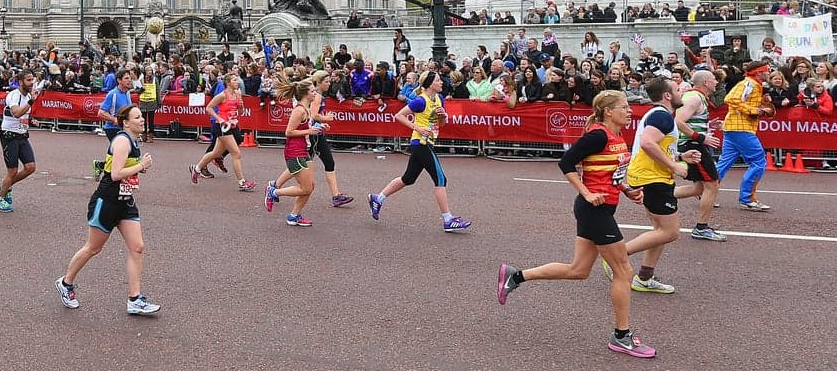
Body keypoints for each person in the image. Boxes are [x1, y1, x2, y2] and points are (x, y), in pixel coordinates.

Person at [497, 91, 657, 358]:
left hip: (601, 208)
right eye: (624, 107)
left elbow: (610, 172)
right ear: (608, 111)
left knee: (579, 270)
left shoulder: (616, 136)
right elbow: (566, 162)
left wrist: (627, 189)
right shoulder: (597, 135)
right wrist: (585, 192)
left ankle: (516, 275)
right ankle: (622, 336)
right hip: (594, 211)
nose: (630, 111)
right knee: (624, 271)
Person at [56, 104, 160, 315]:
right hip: (107, 201)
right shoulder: (122, 140)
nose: (142, 120)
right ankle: (66, 283)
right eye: (137, 117)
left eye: (142, 117)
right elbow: (115, 174)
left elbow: (125, 171)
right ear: (126, 122)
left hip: (125, 201)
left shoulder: (133, 141)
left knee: (137, 247)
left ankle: (134, 299)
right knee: (93, 248)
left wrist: (139, 167)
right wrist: (141, 165)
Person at [599, 78, 699, 295]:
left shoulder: (659, 115)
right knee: (670, 232)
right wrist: (674, 165)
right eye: (677, 89)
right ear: (668, 95)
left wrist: (680, 155)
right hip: (652, 179)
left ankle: (645, 277)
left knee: (660, 231)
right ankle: (617, 256)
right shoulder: (662, 116)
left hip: (650, 176)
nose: (682, 92)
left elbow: (656, 145)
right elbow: (647, 143)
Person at [367, 70, 472, 233]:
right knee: (441, 179)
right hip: (420, 143)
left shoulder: (440, 98)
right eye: (438, 80)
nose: (442, 82)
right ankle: (448, 219)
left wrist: (443, 116)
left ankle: (377, 198)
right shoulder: (420, 101)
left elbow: (442, 124)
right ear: (430, 84)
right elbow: (399, 115)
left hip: (428, 142)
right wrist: (418, 128)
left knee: (408, 178)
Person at [268, 71, 354, 210]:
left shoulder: (306, 106)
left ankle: (291, 208)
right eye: (326, 81)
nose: (329, 83)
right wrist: (321, 122)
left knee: (308, 180)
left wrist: (320, 125)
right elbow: (292, 129)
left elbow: (309, 120)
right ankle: (275, 189)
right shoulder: (306, 105)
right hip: (303, 143)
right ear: (317, 83)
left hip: (306, 141)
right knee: (307, 179)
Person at [716, 60, 775, 211]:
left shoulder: (754, 84)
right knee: (759, 160)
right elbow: (730, 99)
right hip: (741, 128)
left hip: (734, 127)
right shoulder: (749, 84)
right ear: (759, 72)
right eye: (767, 71)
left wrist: (763, 104)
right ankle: (747, 198)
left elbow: (742, 101)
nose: (769, 73)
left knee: (724, 163)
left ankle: (703, 190)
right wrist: (755, 111)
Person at [673, 70, 726, 241]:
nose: (716, 83)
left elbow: (688, 120)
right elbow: (678, 121)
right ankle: (701, 228)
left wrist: (707, 125)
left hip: (693, 143)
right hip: (693, 145)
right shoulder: (694, 98)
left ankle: (658, 195)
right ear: (705, 83)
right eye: (713, 80)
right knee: (712, 184)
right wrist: (701, 137)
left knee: (699, 188)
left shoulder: (697, 97)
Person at [264, 75, 323, 225]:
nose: (315, 93)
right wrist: (309, 131)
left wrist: (318, 127)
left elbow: (304, 128)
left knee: (310, 186)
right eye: (312, 91)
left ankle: (294, 216)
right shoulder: (299, 111)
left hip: (303, 150)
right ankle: (274, 191)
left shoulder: (306, 109)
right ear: (305, 94)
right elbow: (289, 132)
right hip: (294, 152)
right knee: (305, 188)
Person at [189, 72, 256, 191]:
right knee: (236, 153)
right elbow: (209, 107)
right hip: (222, 127)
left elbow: (240, 112)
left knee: (215, 153)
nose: (237, 82)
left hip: (233, 125)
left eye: (237, 80)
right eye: (235, 80)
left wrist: (241, 105)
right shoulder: (222, 95)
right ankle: (242, 182)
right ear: (228, 83)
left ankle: (197, 168)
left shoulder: (237, 94)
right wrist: (219, 118)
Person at [0, 71, 37, 212]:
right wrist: (31, 102)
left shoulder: (29, 96)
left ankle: (5, 185)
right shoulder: (13, 95)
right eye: (28, 80)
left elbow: (23, 115)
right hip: (9, 135)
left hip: (22, 134)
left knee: (30, 167)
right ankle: (0, 200)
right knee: (12, 170)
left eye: (32, 79)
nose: (31, 82)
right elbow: (17, 113)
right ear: (20, 82)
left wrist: (31, 120)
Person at [93, 70, 132, 181]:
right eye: (126, 78)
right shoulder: (112, 94)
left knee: (122, 154)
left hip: (124, 129)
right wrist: (114, 119)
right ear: (119, 80)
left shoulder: (127, 93)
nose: (129, 80)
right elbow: (101, 112)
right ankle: (111, 178)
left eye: (130, 78)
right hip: (112, 129)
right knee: (121, 153)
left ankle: (101, 166)